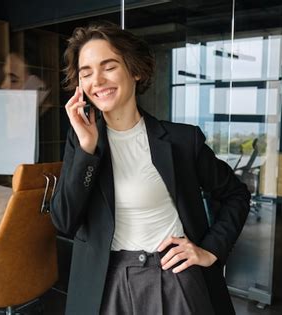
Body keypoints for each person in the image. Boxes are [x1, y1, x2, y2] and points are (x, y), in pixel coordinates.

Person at [50, 22, 251, 315]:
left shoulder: (182, 141)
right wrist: (86, 149)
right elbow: (64, 221)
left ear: (135, 71)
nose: (97, 80)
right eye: (86, 72)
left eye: (109, 66)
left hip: (173, 279)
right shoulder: (81, 140)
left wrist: (211, 249)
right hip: (105, 285)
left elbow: (236, 195)